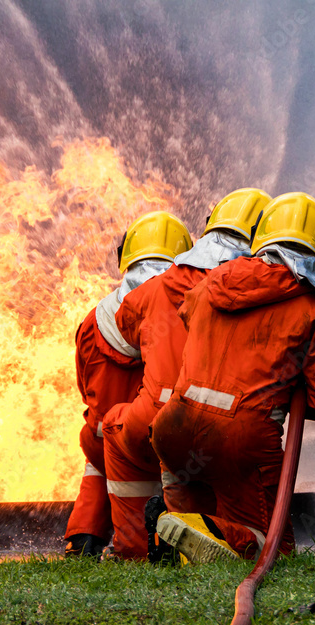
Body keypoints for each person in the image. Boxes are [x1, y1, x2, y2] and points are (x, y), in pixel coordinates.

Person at [151, 192, 315, 564]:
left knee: (195, 525)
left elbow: (187, 314)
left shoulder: (213, 280)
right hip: (240, 441)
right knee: (273, 548)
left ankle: (177, 529)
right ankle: (201, 528)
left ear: (261, 236)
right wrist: (285, 384)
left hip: (172, 426)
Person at [102, 189, 271, 560]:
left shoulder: (157, 288)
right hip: (231, 427)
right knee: (272, 544)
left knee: (112, 428)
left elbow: (125, 330)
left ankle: (152, 542)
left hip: (169, 424)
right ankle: (213, 531)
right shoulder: (259, 291)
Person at [64, 211, 193, 557]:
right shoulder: (186, 310)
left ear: (125, 258)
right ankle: (173, 537)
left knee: (97, 445)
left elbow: (85, 389)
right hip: (165, 445)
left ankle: (84, 535)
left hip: (107, 442)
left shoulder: (93, 321)